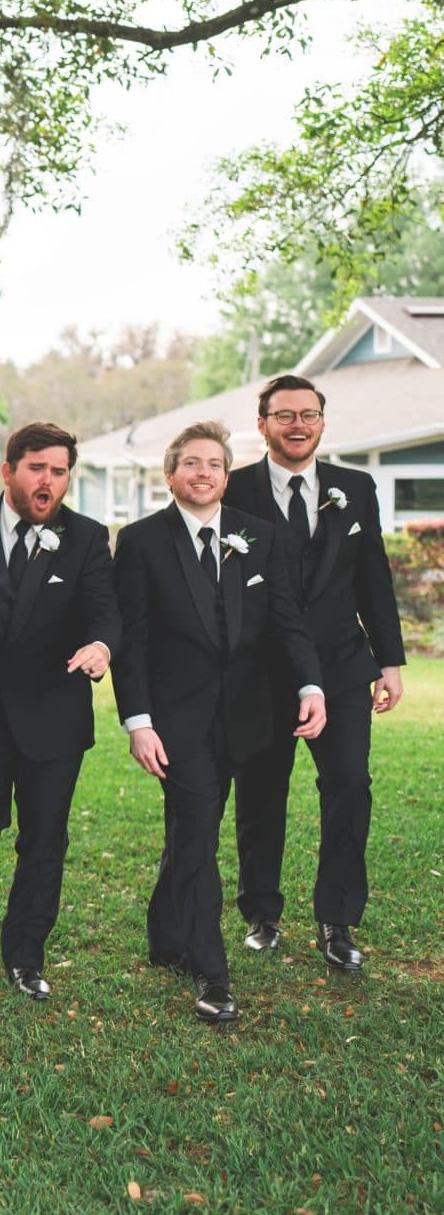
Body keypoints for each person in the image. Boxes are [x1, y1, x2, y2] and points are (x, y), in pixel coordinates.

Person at [112, 420, 323, 1024]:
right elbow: (134, 642)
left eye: (215, 464)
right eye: (191, 463)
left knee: (188, 832)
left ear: (228, 476)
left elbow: (287, 621)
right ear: (171, 474)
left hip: (251, 716)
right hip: (176, 722)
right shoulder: (142, 541)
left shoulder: (260, 536)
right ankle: (212, 973)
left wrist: (311, 684)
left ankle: (165, 934)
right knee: (200, 832)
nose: (203, 473)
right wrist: (139, 722)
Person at [221, 375, 405, 970]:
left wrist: (391, 661)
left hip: (344, 665)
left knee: (350, 784)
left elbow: (373, 578)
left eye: (308, 414)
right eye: (283, 415)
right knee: (261, 792)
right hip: (259, 670)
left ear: (322, 421)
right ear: (263, 424)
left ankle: (337, 919)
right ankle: (261, 913)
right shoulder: (234, 488)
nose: (297, 424)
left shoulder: (356, 487)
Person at [0, 422, 120, 1000]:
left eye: (59, 471)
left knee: (44, 840)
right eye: (37, 468)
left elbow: (105, 612)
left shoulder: (87, 537)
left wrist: (101, 646)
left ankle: (25, 955)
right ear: (8, 471)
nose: (49, 481)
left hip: (54, 715)